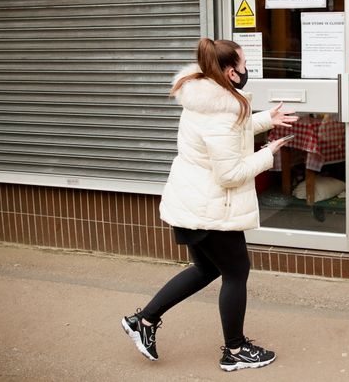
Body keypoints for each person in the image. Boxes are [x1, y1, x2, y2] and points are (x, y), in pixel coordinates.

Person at [120, 38, 297, 371]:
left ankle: (143, 322)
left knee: (208, 269)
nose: (247, 70)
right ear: (231, 72)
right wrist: (267, 155)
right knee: (236, 272)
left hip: (194, 201)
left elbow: (232, 130)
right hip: (210, 207)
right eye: (244, 65)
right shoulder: (221, 113)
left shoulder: (205, 96)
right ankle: (235, 350)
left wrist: (267, 119)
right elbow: (230, 172)